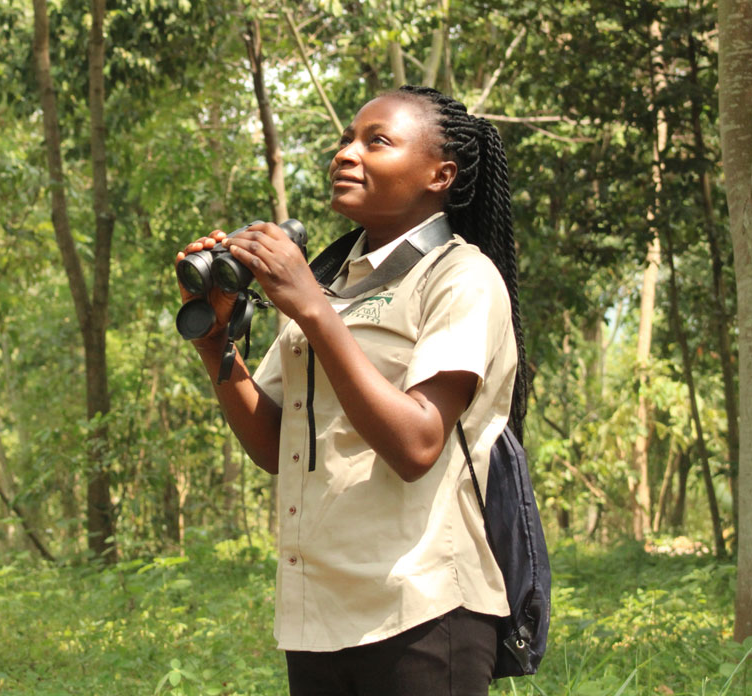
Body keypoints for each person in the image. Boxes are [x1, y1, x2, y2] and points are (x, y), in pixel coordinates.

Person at [176, 85, 528, 695]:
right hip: (318, 612)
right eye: (346, 139)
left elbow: (418, 444)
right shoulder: (329, 286)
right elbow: (270, 444)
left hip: (422, 607)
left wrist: (312, 309)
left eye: (377, 141)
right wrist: (216, 343)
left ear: (439, 175)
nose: (346, 153)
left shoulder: (461, 277)